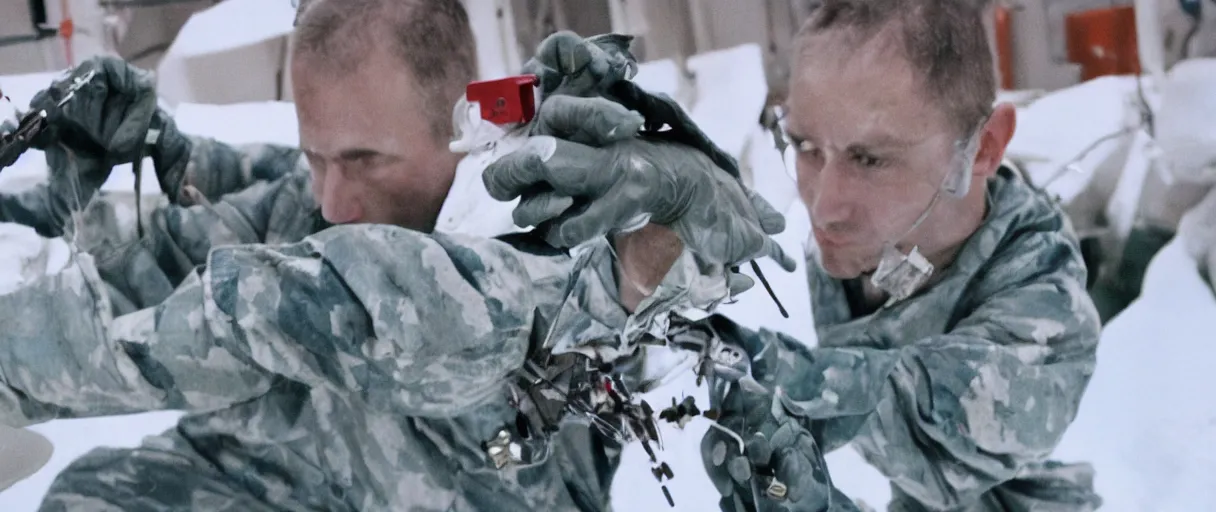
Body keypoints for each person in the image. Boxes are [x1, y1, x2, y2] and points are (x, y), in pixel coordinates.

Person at [0, 1, 790, 511]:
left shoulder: (554, 215)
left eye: (365, 160)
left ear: (456, 121)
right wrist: (140, 172)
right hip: (289, 474)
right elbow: (175, 259)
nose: (333, 198)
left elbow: (662, 268)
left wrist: (669, 222)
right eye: (316, 156)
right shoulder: (306, 201)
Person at [484, 0, 1104, 510]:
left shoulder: (1044, 311)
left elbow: (920, 414)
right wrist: (657, 196)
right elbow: (722, 244)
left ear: (982, 148)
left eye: (870, 158)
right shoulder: (867, 226)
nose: (823, 204)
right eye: (805, 146)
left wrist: (751, 364)